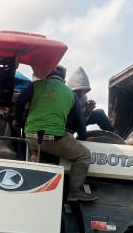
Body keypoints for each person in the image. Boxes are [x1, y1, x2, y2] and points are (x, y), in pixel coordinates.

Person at [12, 65, 95, 203]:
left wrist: (17, 120)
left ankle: (33, 159)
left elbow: (20, 102)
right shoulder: (70, 94)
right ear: (63, 79)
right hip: (54, 140)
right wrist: (82, 138)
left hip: (30, 137)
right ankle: (75, 191)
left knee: (36, 151)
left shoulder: (36, 85)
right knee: (84, 155)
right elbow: (80, 122)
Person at [67, 66, 115, 134]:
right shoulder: (64, 96)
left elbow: (82, 121)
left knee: (99, 113)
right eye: (78, 91)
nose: (81, 95)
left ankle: (114, 138)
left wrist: (87, 112)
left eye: (84, 91)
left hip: (77, 123)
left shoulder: (83, 98)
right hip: (64, 126)